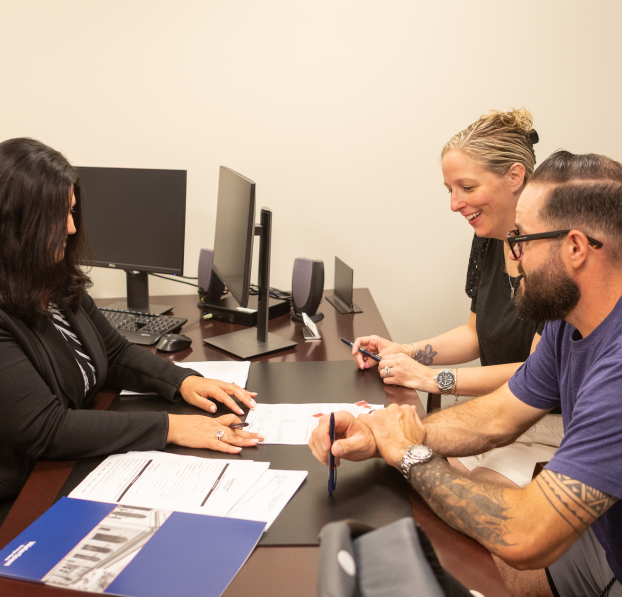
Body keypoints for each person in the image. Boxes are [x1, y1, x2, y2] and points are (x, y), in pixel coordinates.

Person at [310, 165, 622, 596]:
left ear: (575, 248)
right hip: (601, 542)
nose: (512, 257)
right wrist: (382, 432)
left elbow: (525, 535)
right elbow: (497, 416)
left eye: (521, 240)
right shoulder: (568, 324)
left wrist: (409, 454)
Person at [0, 137, 263, 524]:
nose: (72, 229)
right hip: (23, 495)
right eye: (59, 216)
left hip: (71, 462)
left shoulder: (52, 280)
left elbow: (115, 352)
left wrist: (182, 382)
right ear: (19, 224)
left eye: (73, 212)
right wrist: (170, 427)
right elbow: (47, 428)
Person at [352, 108, 560, 488]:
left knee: (467, 488)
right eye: (450, 191)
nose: (454, 204)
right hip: (490, 411)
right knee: (409, 472)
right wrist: (407, 351)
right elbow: (476, 333)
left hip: (544, 423)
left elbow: (534, 375)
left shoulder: (554, 258)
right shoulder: (487, 241)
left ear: (515, 176)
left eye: (467, 188)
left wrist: (435, 379)